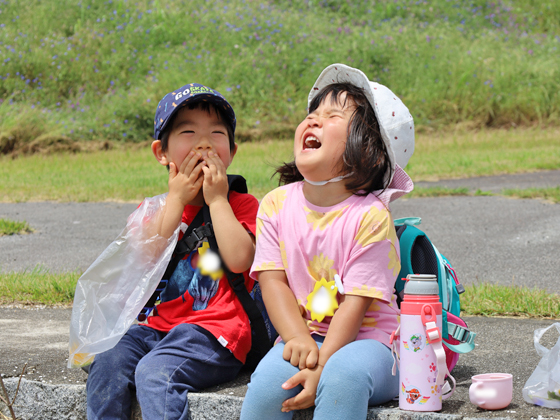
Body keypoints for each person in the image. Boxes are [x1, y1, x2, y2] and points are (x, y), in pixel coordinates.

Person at [240, 64, 415, 420]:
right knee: (268, 381)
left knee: (342, 377)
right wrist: (296, 339)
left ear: (368, 149)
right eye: (312, 114)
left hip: (373, 344)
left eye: (333, 115)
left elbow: (357, 305)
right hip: (307, 336)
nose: (314, 121)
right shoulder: (275, 205)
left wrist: (322, 365)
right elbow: (272, 282)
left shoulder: (370, 216)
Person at [86, 83, 259, 420]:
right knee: (107, 360)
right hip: (155, 325)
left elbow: (241, 260)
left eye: (216, 133)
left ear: (232, 152)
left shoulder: (242, 205)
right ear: (161, 153)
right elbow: (144, 261)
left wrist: (218, 200)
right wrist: (177, 200)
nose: (204, 142)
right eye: (189, 131)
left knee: (155, 373)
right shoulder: (155, 211)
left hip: (215, 331)